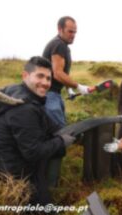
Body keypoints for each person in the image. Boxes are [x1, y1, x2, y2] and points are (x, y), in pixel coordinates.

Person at [0, 56, 75, 210]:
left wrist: (59, 129)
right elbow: (33, 152)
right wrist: (61, 142)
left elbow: (42, 120)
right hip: (8, 178)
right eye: (40, 76)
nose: (45, 83)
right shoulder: (24, 109)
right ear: (25, 76)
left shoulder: (19, 93)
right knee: (46, 212)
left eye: (48, 78)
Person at [43, 16, 92, 187]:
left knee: (57, 135)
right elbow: (57, 73)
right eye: (70, 31)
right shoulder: (59, 45)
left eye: (75, 32)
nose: (73, 35)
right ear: (60, 29)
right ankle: (50, 182)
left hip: (54, 94)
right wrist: (79, 86)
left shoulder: (61, 45)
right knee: (58, 137)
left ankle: (50, 177)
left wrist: (68, 89)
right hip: (50, 96)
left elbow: (57, 74)